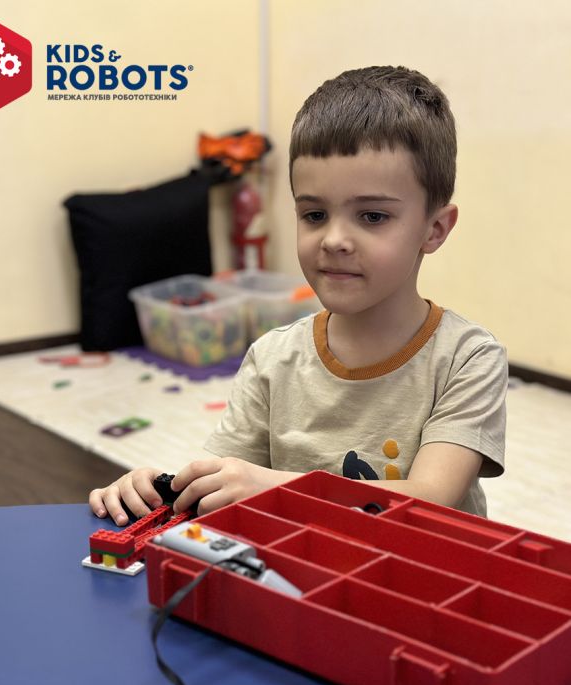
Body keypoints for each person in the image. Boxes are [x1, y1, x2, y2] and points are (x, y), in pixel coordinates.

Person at [89, 65, 507, 525]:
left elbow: (431, 500)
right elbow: (223, 487)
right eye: (314, 215)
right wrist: (155, 488)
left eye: (372, 216)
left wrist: (273, 486)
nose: (334, 240)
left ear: (435, 228)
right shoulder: (272, 358)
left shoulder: (467, 358)